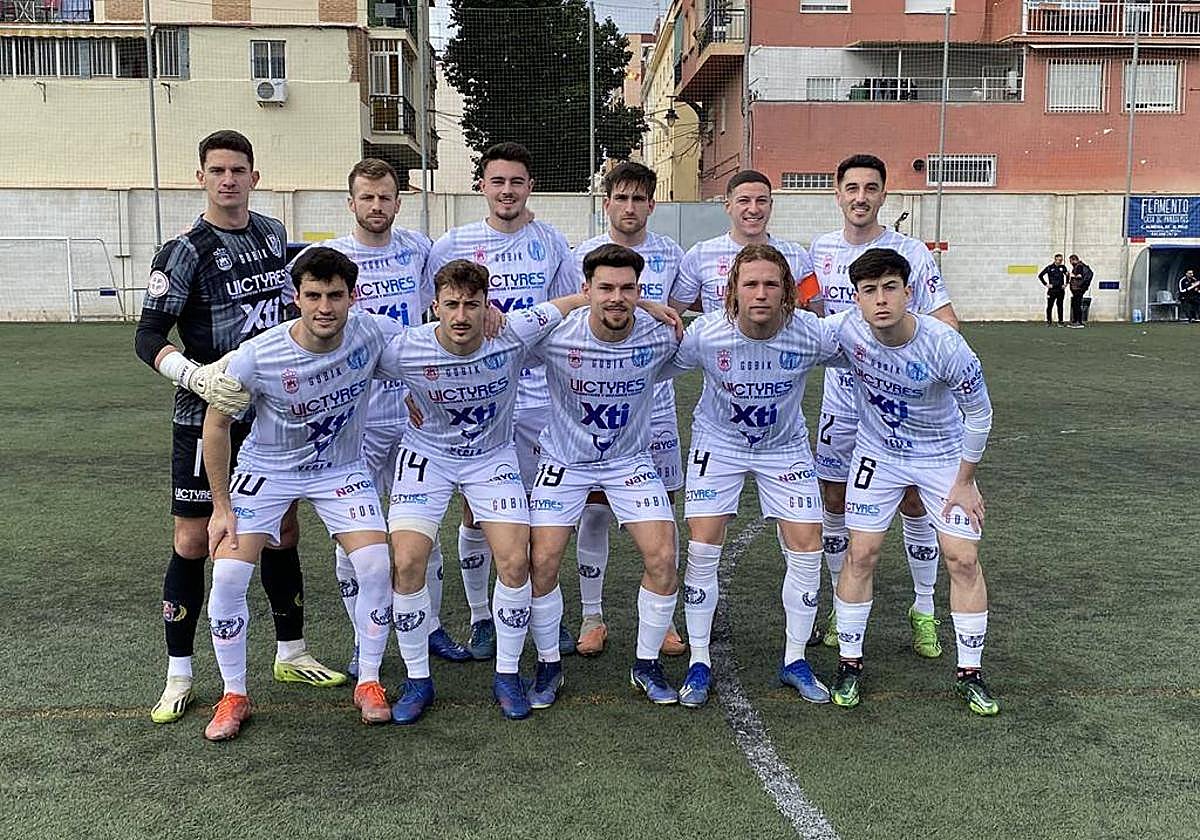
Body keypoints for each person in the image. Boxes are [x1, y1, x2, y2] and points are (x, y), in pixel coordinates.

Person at [134, 130, 341, 726]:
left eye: (238, 169)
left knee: (281, 530)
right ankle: (179, 673)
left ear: (254, 176)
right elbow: (147, 335)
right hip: (207, 416)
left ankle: (291, 651)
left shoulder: (272, 233)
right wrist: (195, 376)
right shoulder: (182, 252)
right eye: (218, 170)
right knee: (194, 541)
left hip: (273, 413)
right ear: (200, 177)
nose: (229, 179)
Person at [201, 247, 403, 740]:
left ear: (353, 297)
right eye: (313, 296)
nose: (325, 307)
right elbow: (216, 424)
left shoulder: (372, 333)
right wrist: (221, 506)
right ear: (296, 297)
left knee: (376, 566)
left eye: (335, 295)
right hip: (267, 470)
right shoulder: (259, 354)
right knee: (227, 576)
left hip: (340, 469)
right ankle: (234, 694)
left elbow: (427, 355)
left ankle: (369, 681)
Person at [375, 261, 589, 722]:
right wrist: (408, 394)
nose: (461, 315)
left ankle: (507, 674)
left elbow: (578, 300)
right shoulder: (406, 348)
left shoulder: (511, 332)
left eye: (472, 305)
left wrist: (654, 306)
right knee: (407, 561)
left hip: (491, 457)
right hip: (427, 456)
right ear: (434, 306)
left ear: (486, 306)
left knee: (515, 561)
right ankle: (417, 679)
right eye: (451, 304)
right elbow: (342, 352)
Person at [297, 158, 472, 673]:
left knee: (422, 527)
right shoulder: (330, 259)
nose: (376, 206)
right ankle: (364, 637)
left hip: (415, 413)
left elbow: (441, 312)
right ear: (350, 202)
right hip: (354, 420)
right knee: (354, 537)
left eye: (385, 197)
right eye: (367, 197)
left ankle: (431, 626)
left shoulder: (420, 249)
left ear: (399, 202)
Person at [423, 142, 583, 659]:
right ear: (482, 187)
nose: (507, 191)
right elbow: (433, 316)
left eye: (516, 182)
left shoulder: (550, 241)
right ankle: (481, 617)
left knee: (540, 510)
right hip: (476, 395)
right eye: (497, 181)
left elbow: (569, 310)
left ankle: (542, 610)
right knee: (476, 510)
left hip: (537, 393)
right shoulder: (454, 242)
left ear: (529, 187)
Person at [668, 244, 844, 708]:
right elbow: (653, 366)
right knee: (703, 544)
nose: (761, 293)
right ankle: (699, 661)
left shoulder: (812, 334)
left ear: (787, 292)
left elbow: (866, 346)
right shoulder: (706, 334)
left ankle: (795, 659)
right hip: (718, 445)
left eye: (771, 284)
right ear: (733, 291)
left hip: (784, 449)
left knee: (808, 543)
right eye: (751, 284)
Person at [826, 248, 998, 717]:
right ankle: (849, 664)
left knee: (963, 558)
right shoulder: (845, 330)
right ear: (857, 298)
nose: (880, 300)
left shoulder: (945, 345)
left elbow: (980, 414)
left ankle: (970, 673)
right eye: (869, 291)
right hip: (878, 456)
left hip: (942, 459)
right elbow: (790, 335)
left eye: (889, 288)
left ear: (909, 292)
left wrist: (965, 481)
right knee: (861, 553)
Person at [808, 154, 960, 659]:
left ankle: (924, 609)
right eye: (851, 188)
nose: (860, 197)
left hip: (900, 405)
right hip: (842, 401)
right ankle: (840, 604)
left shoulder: (910, 252)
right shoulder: (820, 250)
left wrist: (911, 370)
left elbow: (946, 322)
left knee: (914, 500)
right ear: (837, 194)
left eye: (870, 188)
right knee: (834, 500)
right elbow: (812, 318)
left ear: (883, 195)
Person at [525, 244, 684, 708]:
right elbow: (499, 342)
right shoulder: (557, 335)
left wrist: (652, 308)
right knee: (542, 561)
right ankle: (549, 665)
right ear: (586, 290)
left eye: (628, 289)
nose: (617, 298)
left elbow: (712, 348)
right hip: (564, 462)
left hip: (629, 461)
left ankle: (646, 665)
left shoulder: (661, 335)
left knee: (663, 557)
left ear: (640, 291)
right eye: (606, 288)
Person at [570, 161, 687, 657]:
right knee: (595, 508)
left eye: (639, 198)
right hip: (597, 403)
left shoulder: (672, 253)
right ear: (607, 203)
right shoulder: (582, 253)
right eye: (621, 197)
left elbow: (677, 318)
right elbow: (578, 308)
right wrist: (642, 305)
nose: (630, 207)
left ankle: (663, 616)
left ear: (652, 205)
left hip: (655, 403)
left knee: (663, 510)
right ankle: (592, 616)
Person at [670, 170, 823, 317]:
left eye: (761, 201)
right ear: (728, 206)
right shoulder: (700, 255)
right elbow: (673, 311)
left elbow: (818, 312)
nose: (753, 209)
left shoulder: (797, 255)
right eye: (744, 201)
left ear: (771, 205)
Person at [1038, 254, 1069, 325]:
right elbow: (1040, 275)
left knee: (1060, 306)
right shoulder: (1049, 267)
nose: (1060, 261)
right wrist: (1046, 284)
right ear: (1055, 259)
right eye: (1059, 260)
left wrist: (1066, 284)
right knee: (1050, 306)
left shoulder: (1063, 267)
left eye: (1061, 260)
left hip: (1060, 290)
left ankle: (1060, 321)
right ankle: (1049, 321)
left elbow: (1067, 275)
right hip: (1052, 290)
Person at [1067, 254, 1093, 328]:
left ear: (1074, 260)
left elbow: (1079, 276)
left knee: (1077, 305)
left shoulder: (1079, 266)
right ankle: (1076, 321)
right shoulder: (1081, 265)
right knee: (1076, 304)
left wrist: (1071, 275)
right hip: (1079, 288)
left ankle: (1078, 321)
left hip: (1078, 288)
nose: (1070, 263)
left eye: (1071, 261)